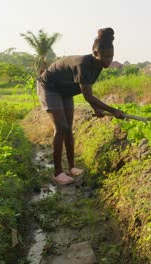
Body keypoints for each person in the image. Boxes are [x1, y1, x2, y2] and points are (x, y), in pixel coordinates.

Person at [36, 27, 124, 185]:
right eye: (105, 57)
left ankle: (71, 168)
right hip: (49, 86)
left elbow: (87, 92)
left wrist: (97, 109)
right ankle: (57, 173)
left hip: (65, 90)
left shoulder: (98, 66)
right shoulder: (83, 65)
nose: (108, 61)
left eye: (111, 57)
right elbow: (88, 96)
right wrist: (113, 110)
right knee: (61, 127)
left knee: (68, 128)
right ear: (95, 53)